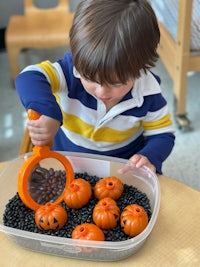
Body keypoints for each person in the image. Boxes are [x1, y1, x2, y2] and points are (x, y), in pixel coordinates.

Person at [15, 0, 175, 174]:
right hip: (67, 164)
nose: (102, 91)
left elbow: (163, 135)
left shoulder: (149, 94)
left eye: (115, 83)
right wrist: (49, 112)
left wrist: (150, 156)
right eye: (90, 78)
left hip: (121, 171)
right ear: (78, 60)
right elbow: (28, 77)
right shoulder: (68, 72)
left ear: (140, 68)